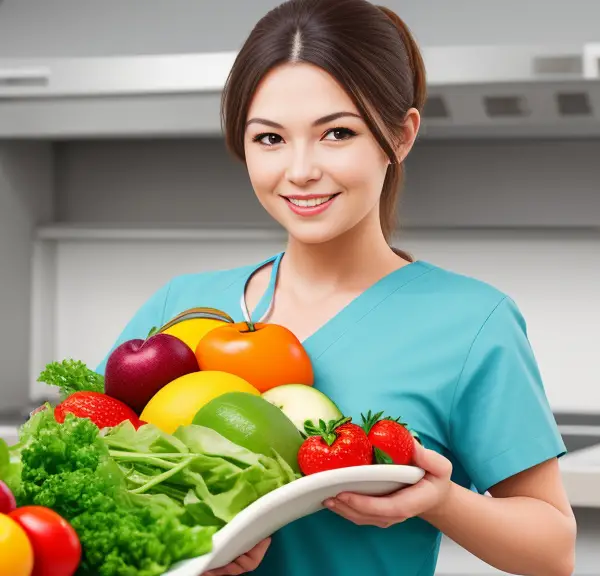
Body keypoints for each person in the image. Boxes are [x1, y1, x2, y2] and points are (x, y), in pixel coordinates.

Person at [95, 1, 577, 574]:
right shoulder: (178, 308)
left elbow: (553, 549)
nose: (300, 170)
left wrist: (443, 501)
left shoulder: (472, 321)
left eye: (337, 133)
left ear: (399, 136)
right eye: (270, 139)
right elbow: (91, 497)